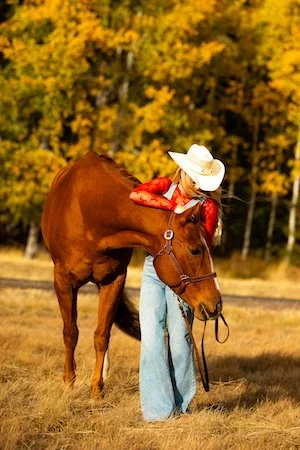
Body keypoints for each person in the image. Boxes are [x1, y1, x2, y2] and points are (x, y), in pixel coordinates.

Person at [129, 144, 225, 422]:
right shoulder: (164, 187)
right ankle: (158, 412)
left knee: (180, 340)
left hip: (184, 274)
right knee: (151, 337)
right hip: (154, 267)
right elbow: (136, 193)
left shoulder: (207, 207)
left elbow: (201, 249)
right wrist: (173, 207)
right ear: (184, 171)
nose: (198, 185)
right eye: (195, 178)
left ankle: (181, 406)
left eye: (203, 181)